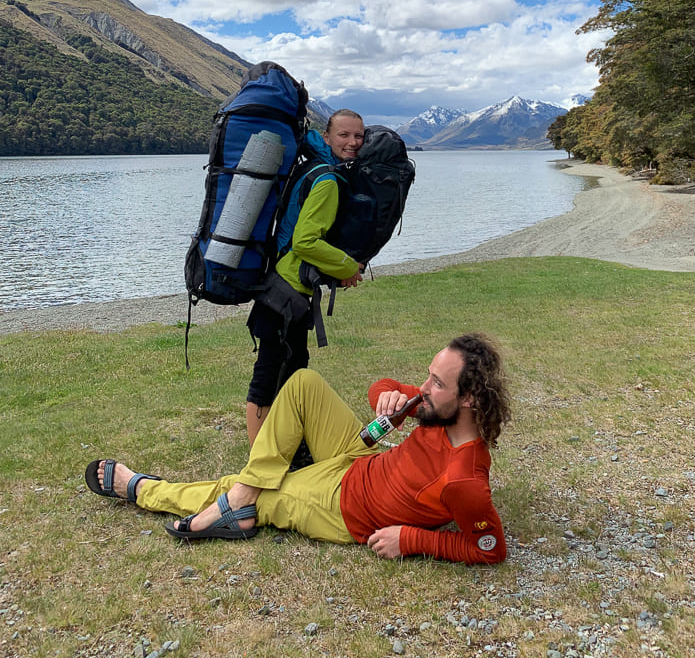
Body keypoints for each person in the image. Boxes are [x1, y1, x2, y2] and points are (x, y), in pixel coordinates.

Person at [84, 333, 511, 565]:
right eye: (429, 375)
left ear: (470, 397)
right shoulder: (437, 411)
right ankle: (246, 494)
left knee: (255, 490)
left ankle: (142, 490)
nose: (424, 387)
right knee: (304, 382)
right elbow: (381, 388)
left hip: (345, 509)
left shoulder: (464, 480)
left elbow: (488, 548)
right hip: (359, 461)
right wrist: (390, 402)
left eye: (437, 382)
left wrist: (411, 539)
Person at [245, 109, 366, 446]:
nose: (353, 142)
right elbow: (306, 241)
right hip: (286, 294)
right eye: (344, 135)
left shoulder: (311, 167)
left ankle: (286, 447)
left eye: (359, 136)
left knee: (293, 371)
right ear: (326, 137)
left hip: (281, 287)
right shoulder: (328, 180)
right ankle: (259, 460)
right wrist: (348, 267)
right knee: (271, 374)